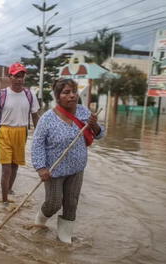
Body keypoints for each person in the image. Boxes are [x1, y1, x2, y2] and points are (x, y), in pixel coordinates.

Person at [31, 78, 104, 244]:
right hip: (54, 170)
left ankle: (65, 240)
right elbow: (37, 145)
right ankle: (40, 221)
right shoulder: (47, 119)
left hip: (77, 168)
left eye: (73, 92)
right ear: (58, 97)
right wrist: (41, 168)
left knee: (71, 203)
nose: (72, 96)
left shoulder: (84, 112)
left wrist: (95, 126)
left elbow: (100, 135)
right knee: (54, 203)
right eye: (66, 92)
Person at [0, 62, 40, 205]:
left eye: (21, 76)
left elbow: (35, 117)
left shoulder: (30, 95)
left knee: (15, 165)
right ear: (9, 77)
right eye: (16, 76)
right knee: (6, 168)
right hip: (5, 132)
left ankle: (9, 189)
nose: (19, 79)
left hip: (22, 132)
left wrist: (40, 138)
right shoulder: (1, 94)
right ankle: (4, 201)